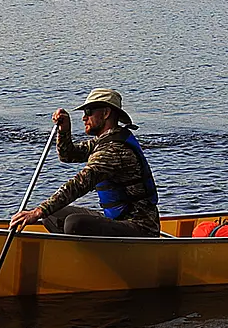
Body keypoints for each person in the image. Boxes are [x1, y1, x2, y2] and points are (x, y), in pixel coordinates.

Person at [11, 88, 160, 237]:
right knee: (52, 215)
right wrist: (64, 131)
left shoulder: (114, 150)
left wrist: (38, 211)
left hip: (139, 227)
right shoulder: (103, 141)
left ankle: (86, 255)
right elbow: (68, 155)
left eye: (89, 111)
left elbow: (80, 183)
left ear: (106, 113)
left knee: (73, 224)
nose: (84, 118)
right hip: (115, 220)